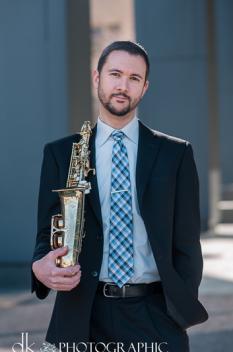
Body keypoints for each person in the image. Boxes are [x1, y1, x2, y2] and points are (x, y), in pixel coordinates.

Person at [32, 41, 208, 352]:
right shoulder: (60, 153)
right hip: (82, 315)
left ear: (145, 87)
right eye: (115, 74)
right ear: (96, 77)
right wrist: (39, 266)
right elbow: (46, 234)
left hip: (155, 316)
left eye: (134, 78)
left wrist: (179, 307)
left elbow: (187, 245)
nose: (123, 86)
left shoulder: (176, 154)